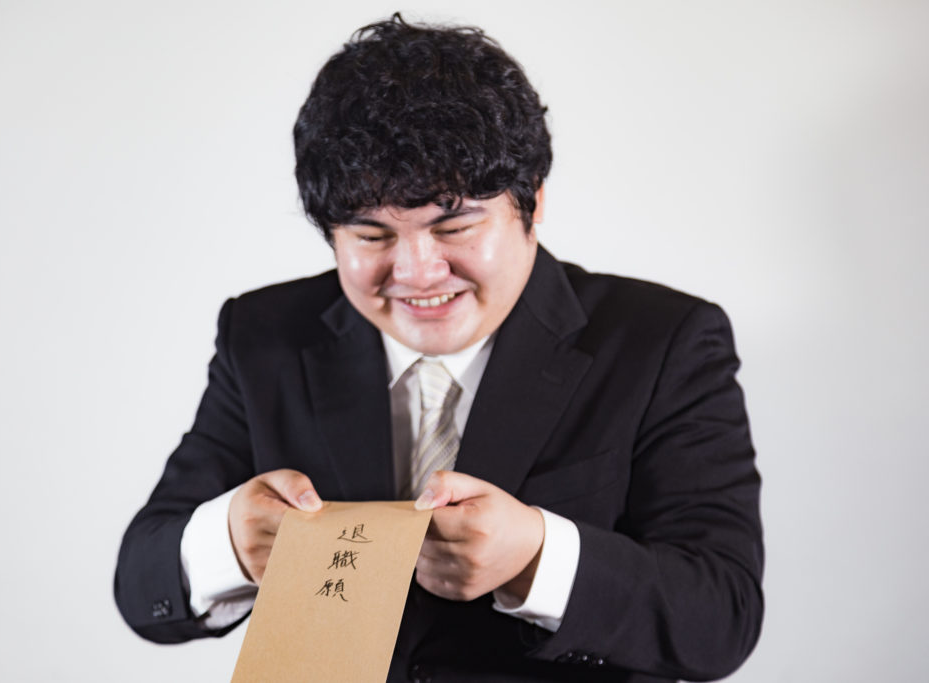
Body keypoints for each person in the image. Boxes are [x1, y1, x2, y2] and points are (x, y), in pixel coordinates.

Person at [114, 14, 763, 682]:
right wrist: (229, 542)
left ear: (533, 203)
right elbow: (140, 583)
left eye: (454, 227)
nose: (418, 273)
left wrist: (538, 554)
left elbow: (722, 615)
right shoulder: (264, 333)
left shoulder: (664, 340)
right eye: (372, 236)